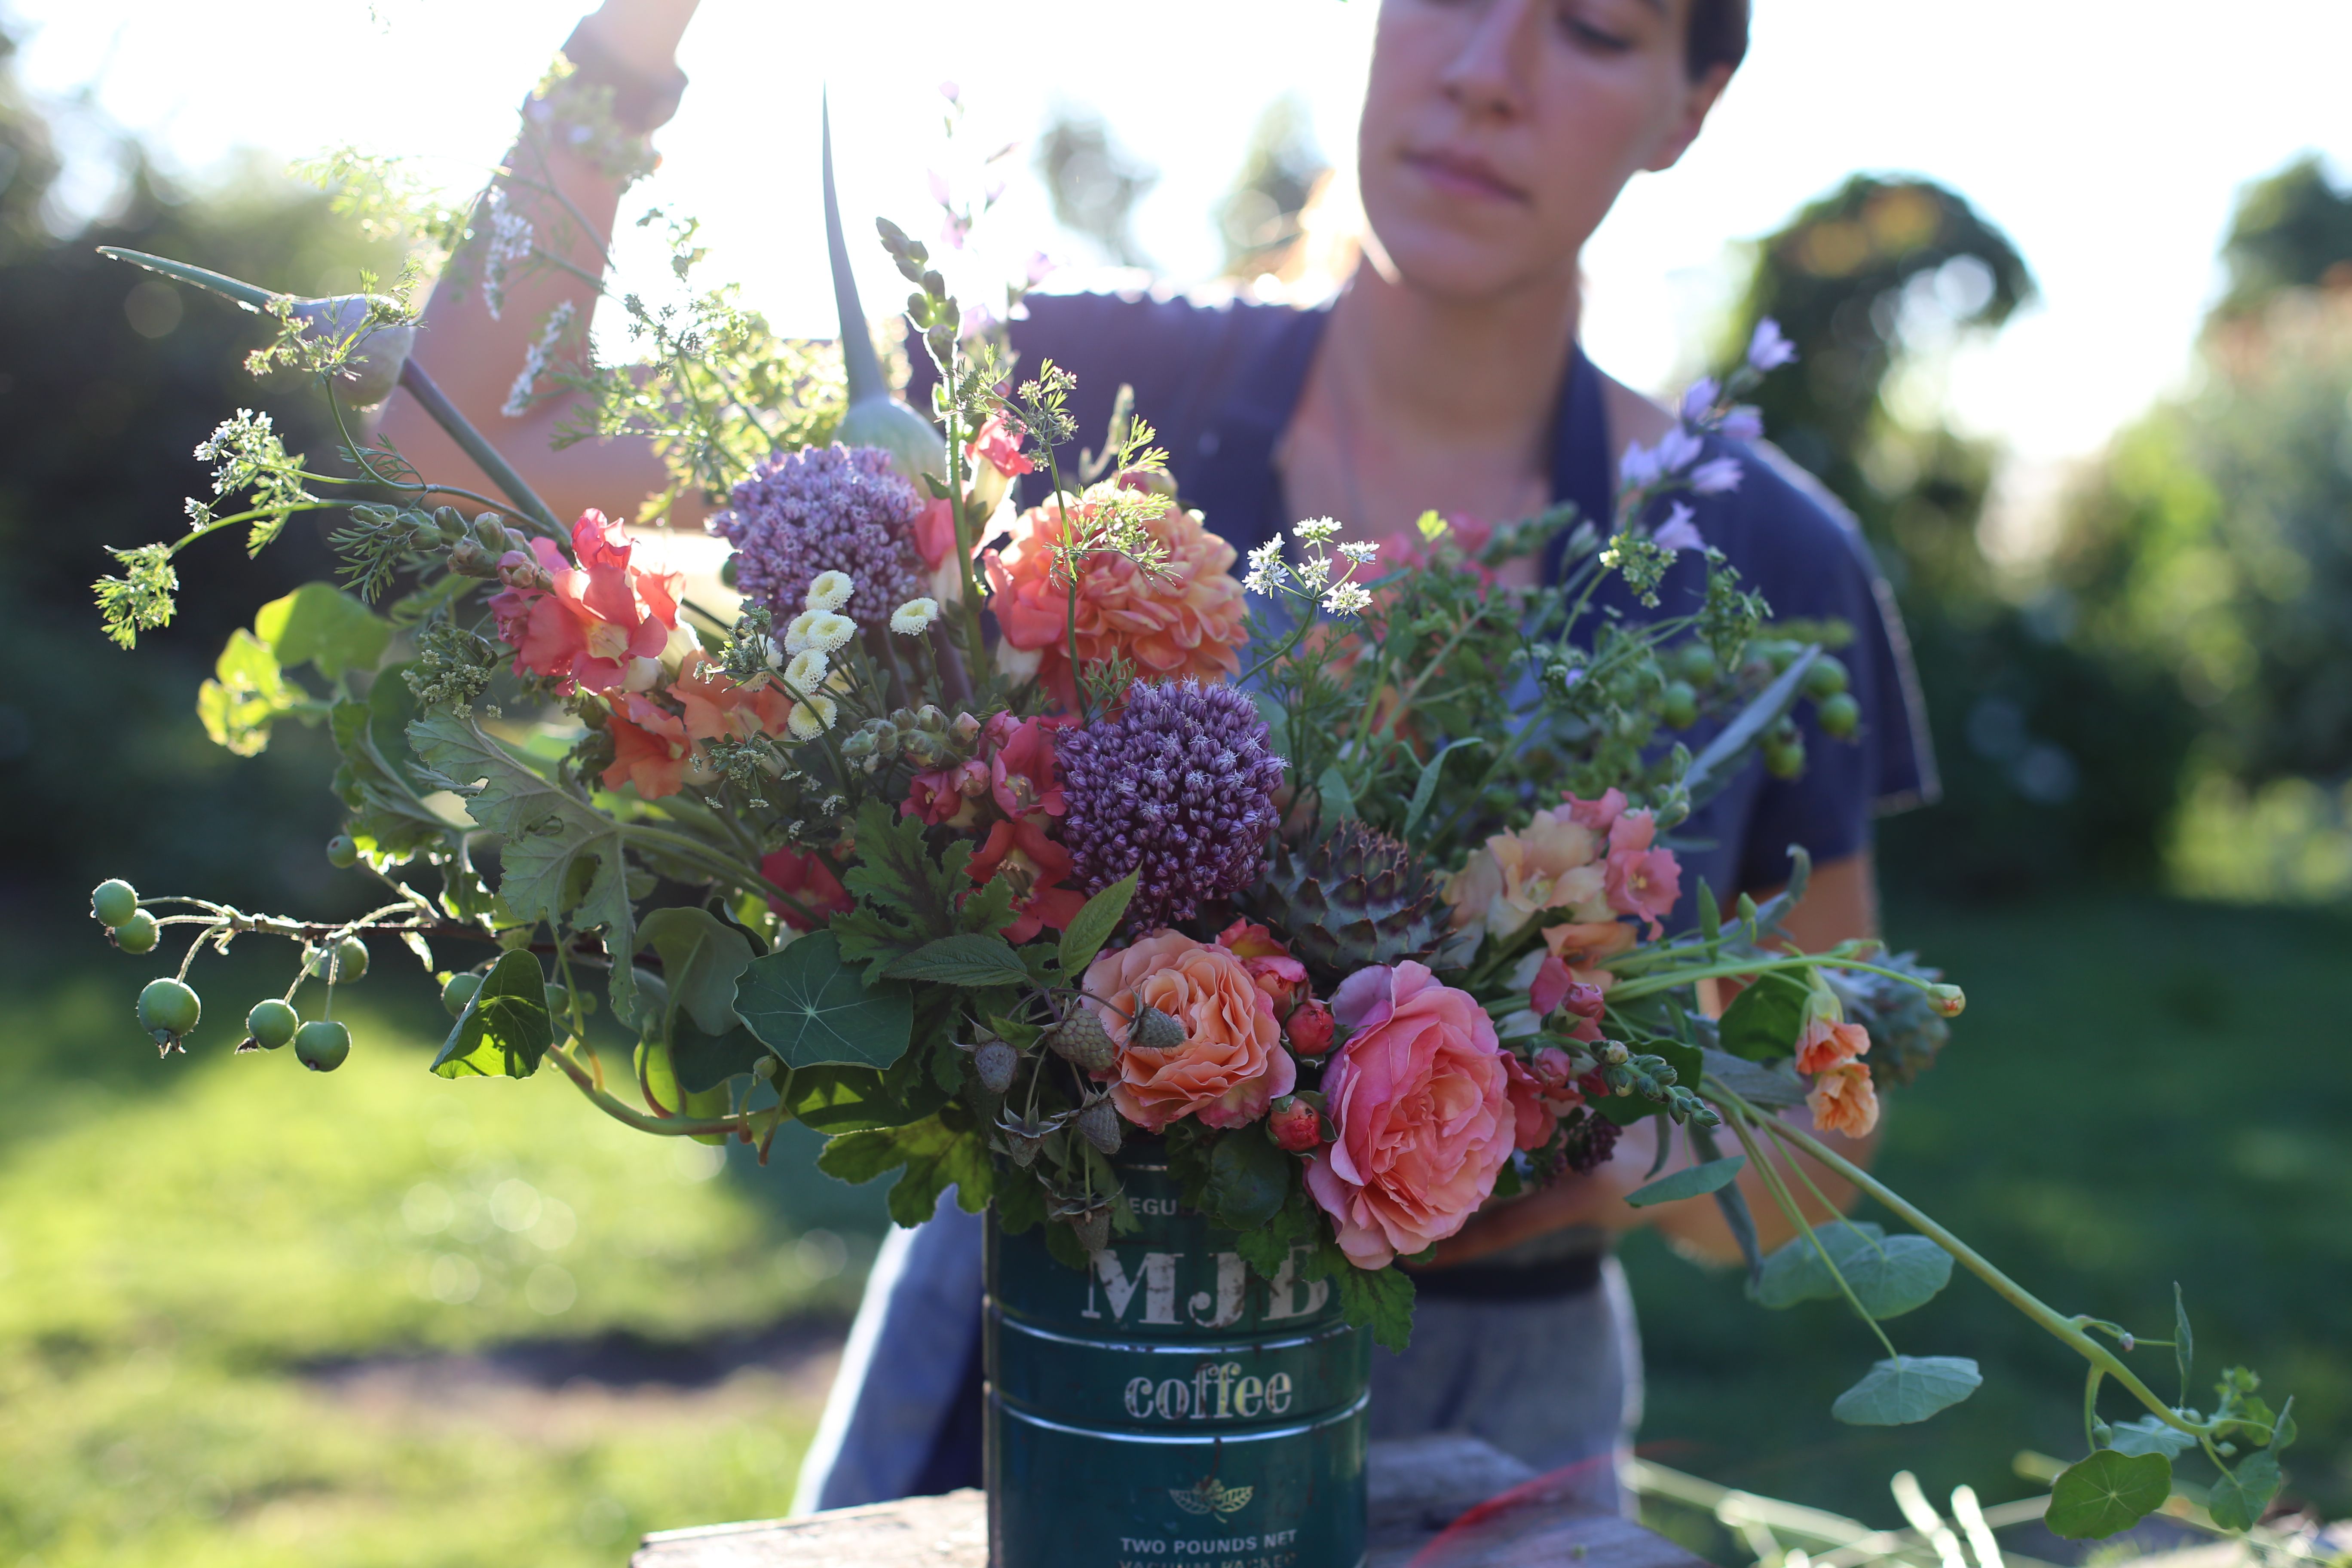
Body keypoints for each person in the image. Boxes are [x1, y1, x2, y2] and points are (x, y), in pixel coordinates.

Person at [379, 0, 1934, 1517]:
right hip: (1034, 1372)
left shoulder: (1764, 556)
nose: (1486, 76)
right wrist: (635, 33)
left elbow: (1801, 1172)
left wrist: (1528, 1149)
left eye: (1592, 29)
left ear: (1690, 106)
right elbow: (457, 456)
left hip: (1492, 1421)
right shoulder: (1081, 391)